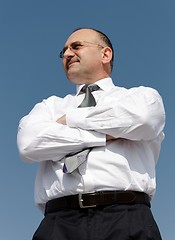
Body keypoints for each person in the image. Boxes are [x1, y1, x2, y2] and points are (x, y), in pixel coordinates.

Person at [17, 28, 165, 240]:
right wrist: (104, 135)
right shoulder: (49, 106)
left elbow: (143, 119)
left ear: (105, 54)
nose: (67, 54)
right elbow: (29, 143)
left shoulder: (140, 97)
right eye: (64, 52)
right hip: (59, 223)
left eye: (76, 46)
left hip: (127, 218)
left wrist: (70, 120)